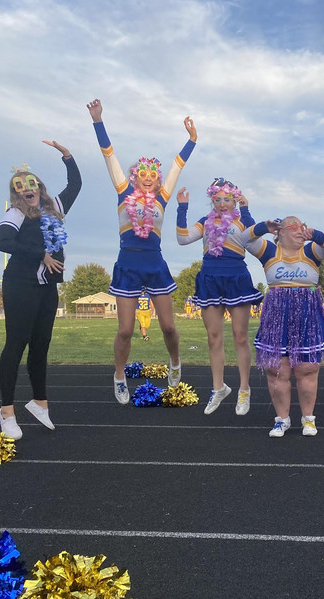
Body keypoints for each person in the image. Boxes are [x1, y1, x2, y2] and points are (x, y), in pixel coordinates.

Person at [87, 98, 196, 404]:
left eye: (153, 176)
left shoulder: (162, 198)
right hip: (128, 263)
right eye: (143, 175)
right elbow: (109, 156)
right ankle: (119, 376)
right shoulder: (123, 191)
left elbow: (177, 166)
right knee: (125, 330)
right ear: (135, 177)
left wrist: (191, 141)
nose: (148, 179)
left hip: (155, 263)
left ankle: (175, 362)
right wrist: (98, 121)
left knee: (169, 326)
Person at [0, 140, 81, 439]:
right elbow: (2, 242)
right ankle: (6, 411)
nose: (26, 189)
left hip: (47, 287)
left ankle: (39, 402)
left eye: (31, 184)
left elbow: (75, 184)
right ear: (16, 193)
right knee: (16, 344)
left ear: (39, 186)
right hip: (20, 284)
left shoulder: (54, 206)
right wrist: (40, 255)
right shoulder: (16, 214)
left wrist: (67, 156)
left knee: (41, 345)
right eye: (20, 187)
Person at [176, 179, 261, 416]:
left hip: (236, 278)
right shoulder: (205, 222)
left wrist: (246, 210)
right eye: (217, 199)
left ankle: (244, 389)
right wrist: (182, 207)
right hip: (210, 279)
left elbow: (254, 238)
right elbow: (182, 238)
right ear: (212, 200)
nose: (222, 204)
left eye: (227, 199)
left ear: (235, 200)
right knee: (214, 337)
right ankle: (218, 388)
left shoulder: (242, 219)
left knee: (240, 336)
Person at [246, 216, 324, 437]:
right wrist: (264, 227)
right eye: (293, 226)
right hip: (276, 315)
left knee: (307, 368)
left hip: (306, 314)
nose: (299, 230)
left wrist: (315, 234)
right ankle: (281, 419)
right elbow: (243, 239)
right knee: (276, 370)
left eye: (302, 226)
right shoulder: (269, 252)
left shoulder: (311, 251)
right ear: (280, 232)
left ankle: (308, 419)